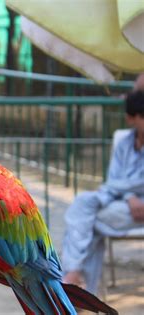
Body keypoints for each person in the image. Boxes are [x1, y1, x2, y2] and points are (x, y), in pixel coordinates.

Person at [61, 87, 144, 294]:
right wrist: (130, 195)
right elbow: (115, 179)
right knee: (83, 205)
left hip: (136, 209)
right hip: (124, 205)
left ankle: (74, 278)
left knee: (85, 221)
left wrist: (125, 191)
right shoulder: (125, 142)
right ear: (131, 119)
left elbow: (115, 184)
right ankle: (83, 287)